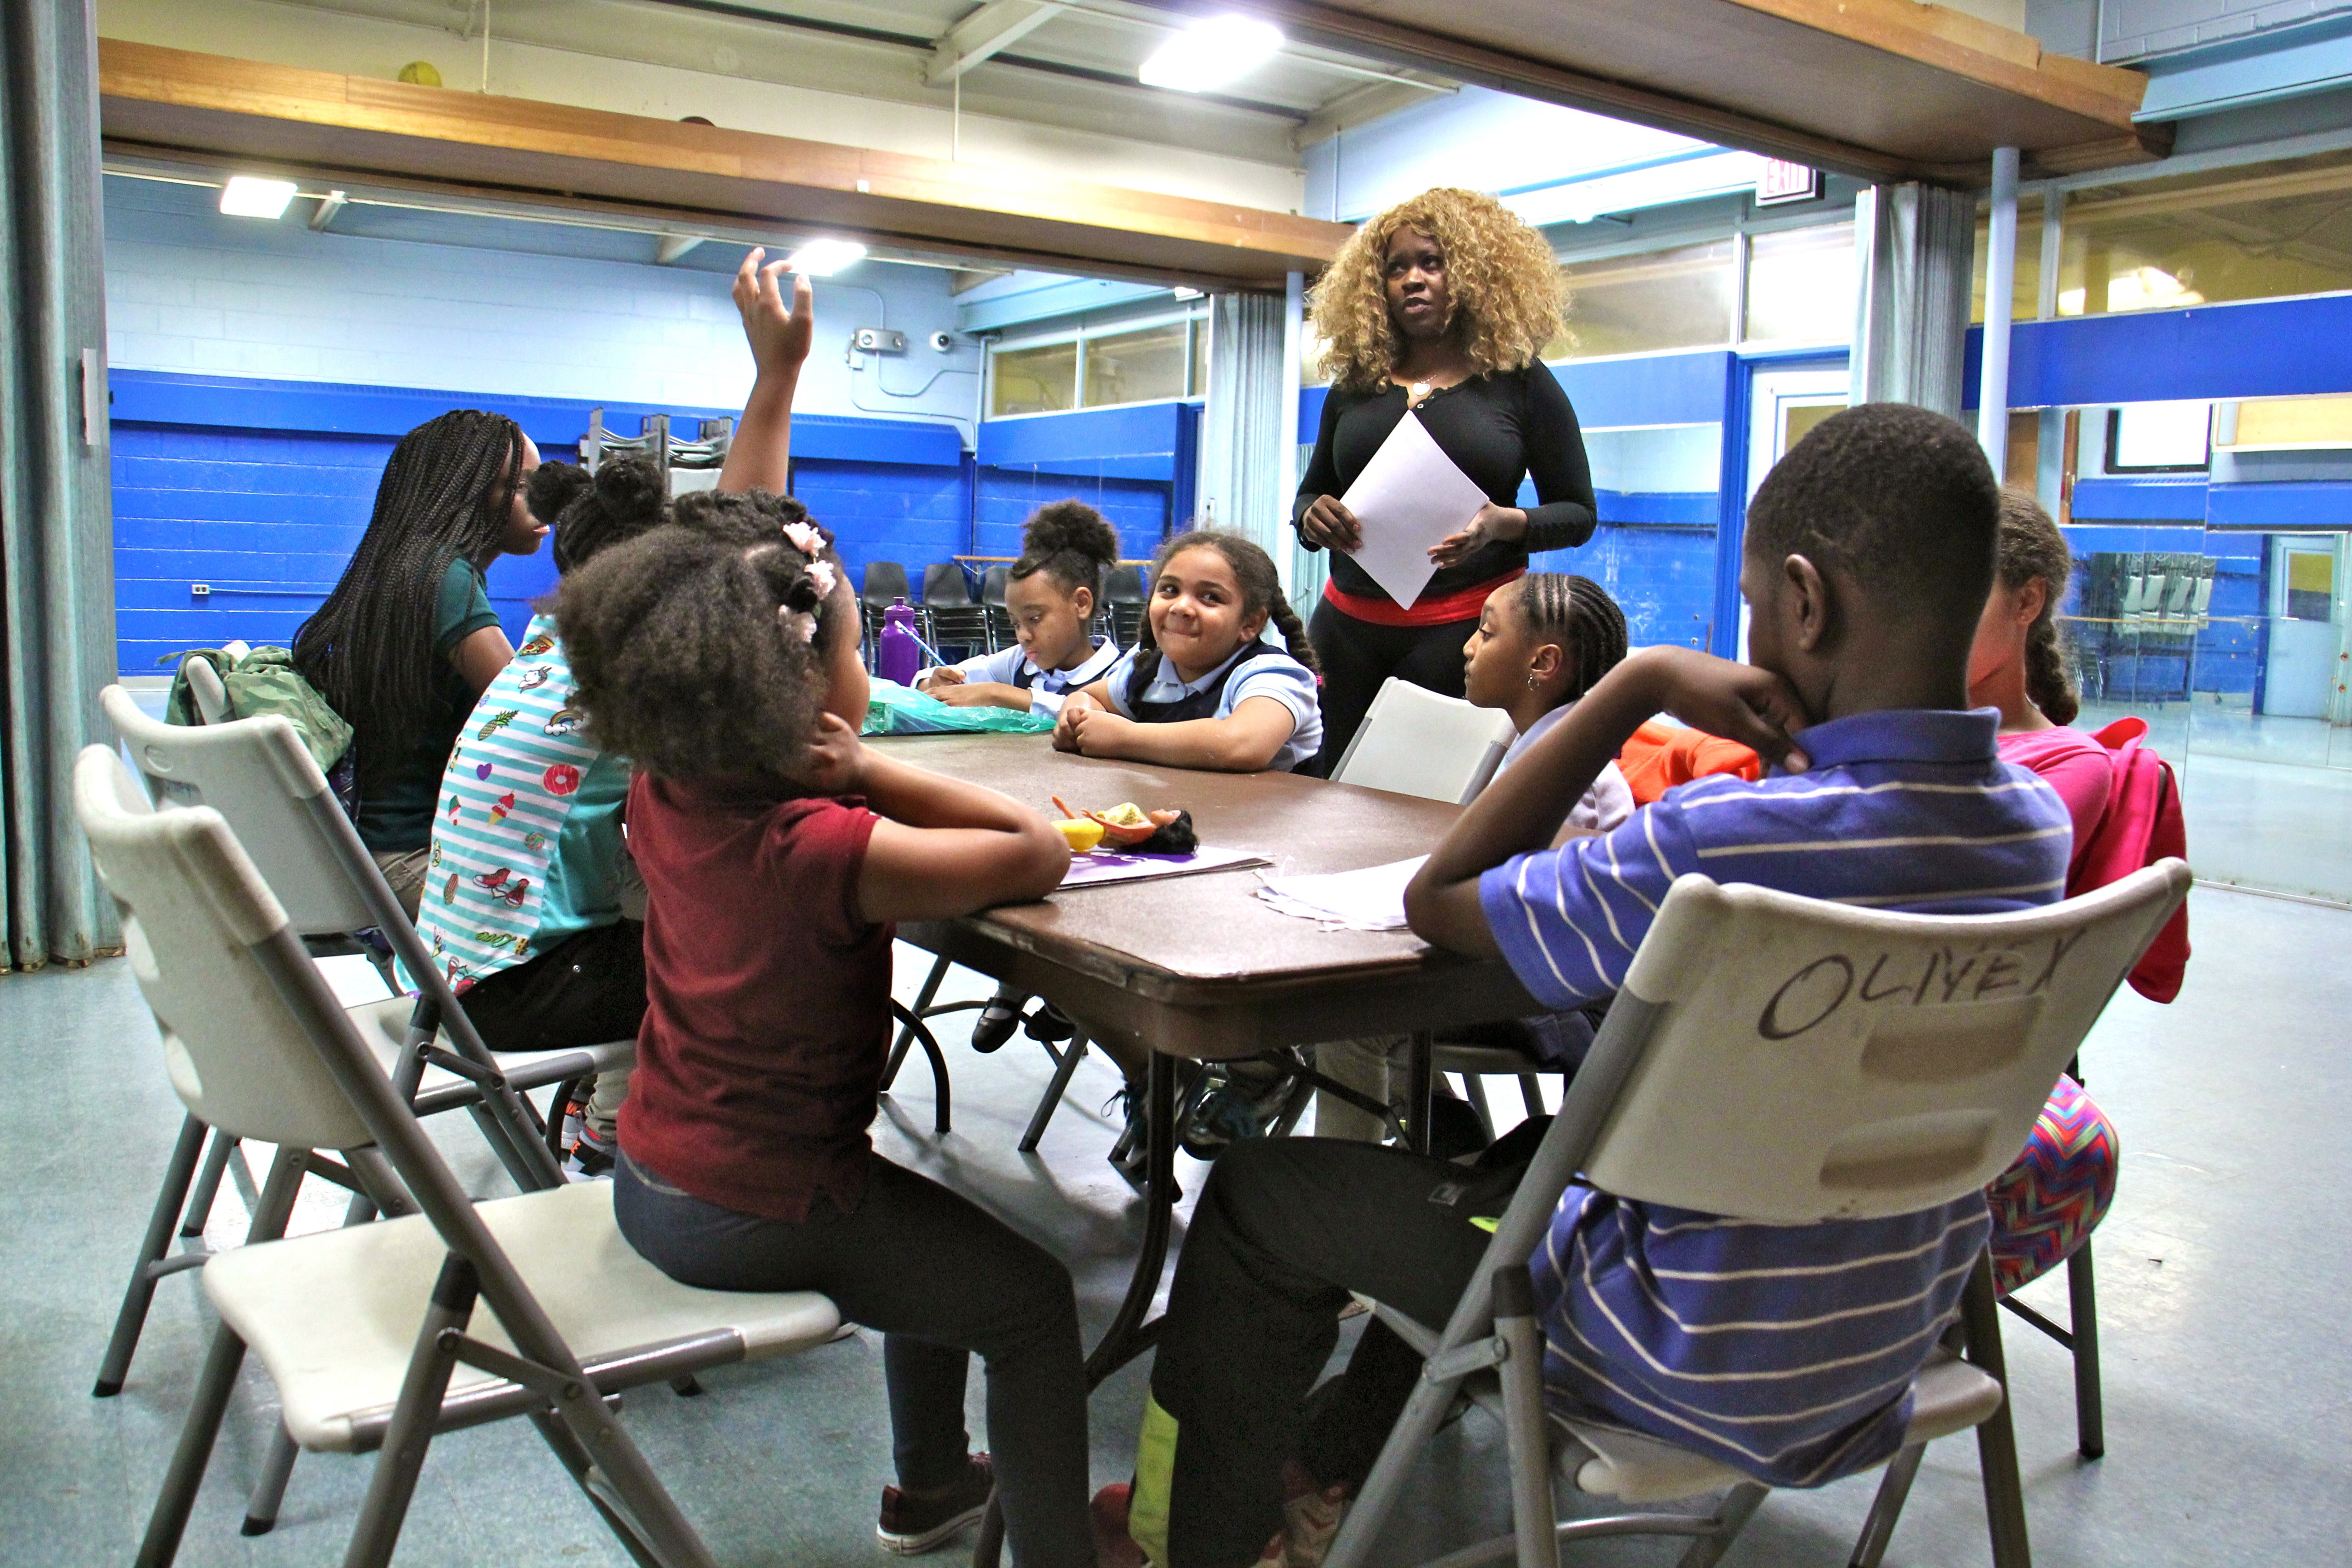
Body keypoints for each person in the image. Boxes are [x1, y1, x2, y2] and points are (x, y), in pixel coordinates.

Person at [1093, 403, 2075, 1568]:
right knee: (1483, 1169)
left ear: (1804, 603)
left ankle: (1201, 1542)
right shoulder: (2032, 830)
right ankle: (1330, 1454)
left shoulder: (1723, 838)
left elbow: (1440, 901)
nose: (1750, 631)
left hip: (1663, 1345)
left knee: (1264, 1195)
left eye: (1756, 606)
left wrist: (1629, 688)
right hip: (1883, 1337)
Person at [557, 494, 1091, 1568]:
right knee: (1031, 1303)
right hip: (760, 1203)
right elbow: (1039, 849)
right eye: (855, 651)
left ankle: (934, 1481)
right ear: (800, 691)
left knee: (935, 1234)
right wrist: (870, 768)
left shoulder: (666, 789)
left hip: (656, 1166)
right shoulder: (822, 845)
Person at [420, 246, 814, 1177]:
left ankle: (617, 1115)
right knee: (766, 969)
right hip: (518, 986)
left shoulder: (560, 641)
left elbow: (731, 541)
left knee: (679, 910)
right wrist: (778, 379)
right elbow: (745, 536)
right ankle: (698, 1164)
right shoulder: (629, 664)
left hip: (456, 965)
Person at [1310, 572, 1637, 1147]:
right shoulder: (1542, 743)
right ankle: (1443, 1131)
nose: (1466, 646)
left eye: (1486, 633)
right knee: (1361, 1002)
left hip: (1549, 990)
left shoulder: (1568, 771)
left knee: (1345, 1023)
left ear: (1544, 663)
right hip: (1521, 965)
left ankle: (1343, 1186)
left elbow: (1526, 886)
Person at [1293, 187, 1597, 768]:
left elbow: (1578, 513)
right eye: (1397, 268)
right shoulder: (1355, 386)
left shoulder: (1520, 383)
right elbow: (1311, 492)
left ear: (1470, 277)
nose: (1413, 279)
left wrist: (1505, 525)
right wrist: (1312, 515)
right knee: (1324, 794)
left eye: (1431, 264)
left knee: (1430, 804)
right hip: (1346, 632)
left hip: (1462, 637)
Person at [1967, 489, 2130, 1297]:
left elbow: (1967, 892)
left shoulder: (2067, 764)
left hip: (1962, 1033)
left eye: (1953, 593)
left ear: (2024, 601)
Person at [294, 408, 550, 917]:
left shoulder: (400, 568)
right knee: (616, 900)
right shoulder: (445, 578)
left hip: (374, 850)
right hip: (412, 862)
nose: (543, 501)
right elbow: (530, 718)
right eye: (521, 486)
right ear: (466, 494)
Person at [1053, 531, 1323, 775]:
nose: (1181, 607)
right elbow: (1089, 695)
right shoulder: (1149, 664)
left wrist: (1124, 737)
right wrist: (1076, 719)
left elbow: (1242, 744)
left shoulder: (1273, 674)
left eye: (1210, 597)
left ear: (1250, 623)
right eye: (1170, 590)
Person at [918, 500, 1124, 715]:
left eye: (1034, 619)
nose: (1023, 636)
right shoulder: (1021, 663)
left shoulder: (1121, 676)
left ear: (1081, 603)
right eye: (1015, 624)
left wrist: (997, 694)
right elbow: (928, 678)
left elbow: (1092, 713)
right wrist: (935, 683)